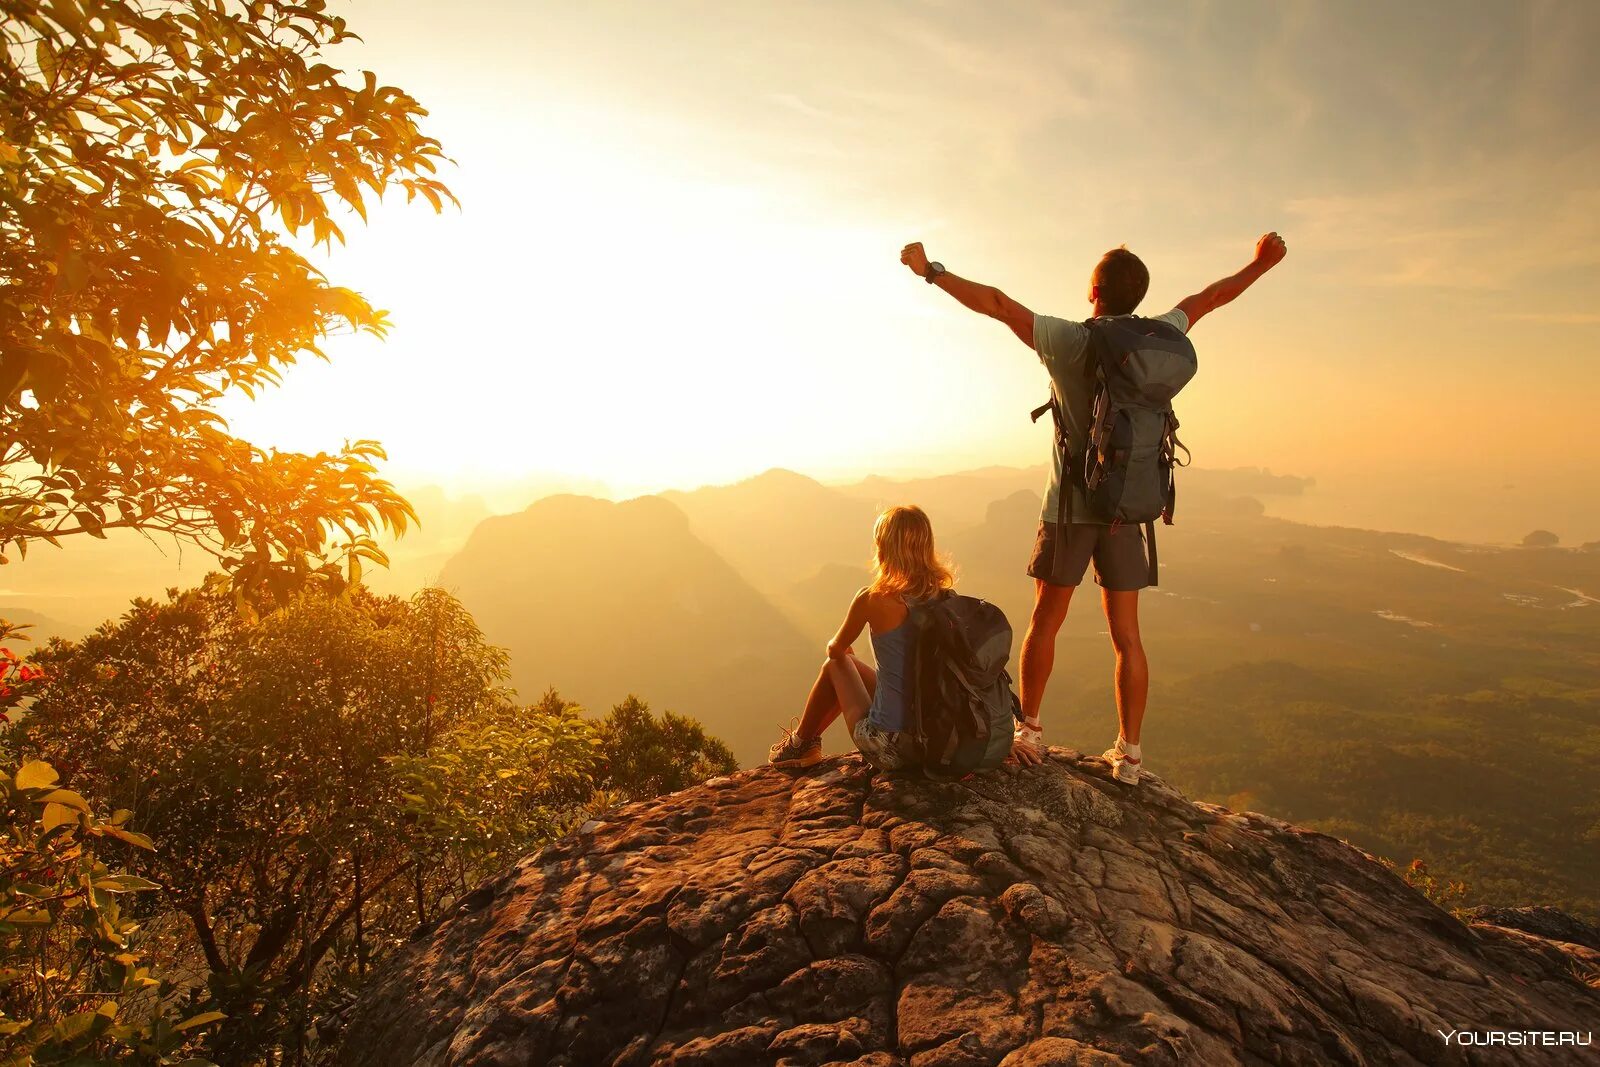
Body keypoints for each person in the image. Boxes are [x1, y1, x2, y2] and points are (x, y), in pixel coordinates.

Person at [898, 234, 1287, 784]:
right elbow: (1210, 297)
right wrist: (1261, 264)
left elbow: (999, 304)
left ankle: (1028, 730)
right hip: (1129, 509)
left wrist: (930, 270)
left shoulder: (1071, 340)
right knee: (1127, 635)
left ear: (1093, 292)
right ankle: (1129, 754)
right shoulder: (1160, 338)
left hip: (1071, 509)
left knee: (1046, 621)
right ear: (1140, 295)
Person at [769, 504, 1042, 771]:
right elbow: (966, 678)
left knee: (836, 665)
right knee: (856, 666)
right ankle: (803, 744)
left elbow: (835, 651)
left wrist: (845, 651)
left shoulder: (872, 598)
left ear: (883, 548)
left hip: (890, 746)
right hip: (937, 741)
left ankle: (800, 744)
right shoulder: (946, 600)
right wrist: (998, 738)